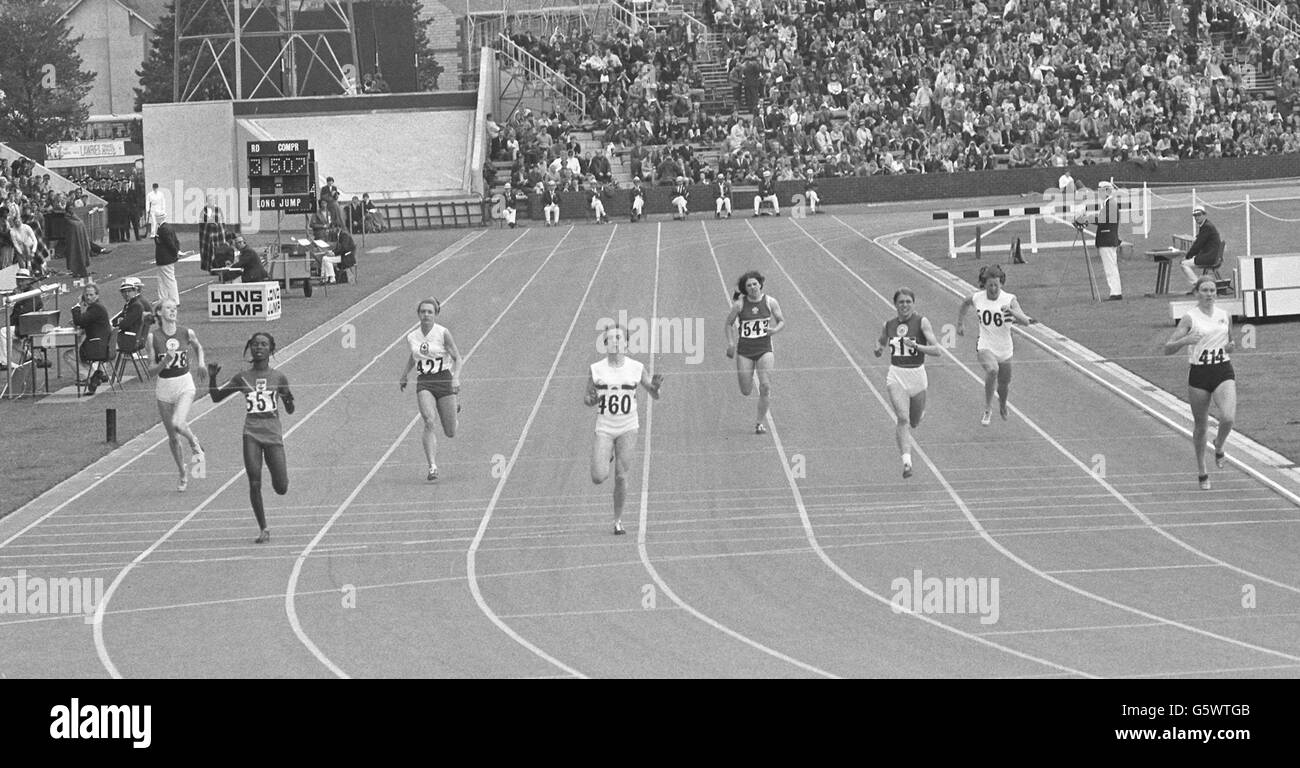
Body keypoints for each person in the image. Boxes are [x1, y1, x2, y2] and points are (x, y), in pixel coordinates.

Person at [207, 332, 295, 543]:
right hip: (252, 433)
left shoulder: (279, 377)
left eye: (263, 345)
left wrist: (288, 398)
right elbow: (216, 397)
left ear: (270, 349)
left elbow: (290, 410)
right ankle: (263, 528)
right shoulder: (242, 377)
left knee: (281, 487)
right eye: (255, 344)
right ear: (250, 348)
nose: (258, 348)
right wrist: (212, 377)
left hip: (272, 434)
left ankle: (276, 489)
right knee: (254, 482)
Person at [583, 324, 664, 535]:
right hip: (605, 427)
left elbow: (654, 394)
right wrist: (591, 399)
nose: (615, 342)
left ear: (626, 344)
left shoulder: (636, 368)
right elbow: (587, 398)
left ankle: (617, 520)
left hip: (628, 427)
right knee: (598, 477)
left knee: (621, 476)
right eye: (610, 338)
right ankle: (606, 455)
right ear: (606, 344)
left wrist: (655, 387)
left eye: (619, 338)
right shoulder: (596, 369)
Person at [1164, 275, 1237, 490]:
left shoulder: (1225, 315)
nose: (1209, 294)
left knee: (1228, 417)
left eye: (1212, 291)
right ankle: (1202, 470)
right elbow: (1167, 348)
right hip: (1199, 374)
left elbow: (1229, 341)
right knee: (1201, 425)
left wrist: (1230, 346)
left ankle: (1219, 444)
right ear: (1196, 293)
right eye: (1204, 290)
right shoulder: (1189, 318)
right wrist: (1186, 340)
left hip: (1222, 369)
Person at [956, 264, 1037, 425]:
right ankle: (987, 408)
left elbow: (1025, 321)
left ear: (1001, 284)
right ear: (984, 284)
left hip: (1005, 349)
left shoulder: (1009, 299)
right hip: (985, 345)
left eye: (996, 285)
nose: (993, 288)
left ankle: (1002, 404)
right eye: (990, 285)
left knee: (1004, 385)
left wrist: (1011, 311)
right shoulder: (978, 297)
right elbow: (965, 303)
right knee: (993, 370)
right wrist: (960, 323)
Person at [874, 288, 942, 478]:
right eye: (901, 302)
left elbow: (937, 350)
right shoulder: (888, 325)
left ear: (913, 304)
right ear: (895, 304)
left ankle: (918, 415)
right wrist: (878, 349)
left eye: (908, 302)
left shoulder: (922, 322)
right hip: (896, 375)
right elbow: (881, 342)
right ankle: (907, 462)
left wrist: (917, 346)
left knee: (914, 421)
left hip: (917, 376)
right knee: (902, 418)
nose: (904, 305)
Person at [145, 299, 206, 491]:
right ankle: (182, 472)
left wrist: (201, 363)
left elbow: (198, 346)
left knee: (178, 424)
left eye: (174, 308)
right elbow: (151, 371)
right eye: (168, 308)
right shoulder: (152, 337)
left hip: (184, 383)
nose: (173, 311)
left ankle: (194, 441)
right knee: (172, 436)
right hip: (164, 387)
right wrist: (165, 362)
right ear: (159, 313)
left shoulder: (186, 332)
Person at [398, 298, 461, 481]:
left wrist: (456, 377)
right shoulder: (412, 336)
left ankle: (454, 409)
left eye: (429, 312)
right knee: (429, 420)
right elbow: (415, 355)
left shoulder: (443, 333)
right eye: (423, 311)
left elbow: (457, 357)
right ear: (418, 314)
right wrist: (404, 375)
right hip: (424, 381)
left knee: (450, 432)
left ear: (435, 315)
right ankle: (432, 466)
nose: (426, 315)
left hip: (444, 379)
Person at [725, 270, 786, 434]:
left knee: (765, 386)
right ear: (745, 289)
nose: (752, 287)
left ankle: (759, 423)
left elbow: (781, 321)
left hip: (764, 348)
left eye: (754, 284)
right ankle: (748, 373)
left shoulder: (770, 302)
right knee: (746, 390)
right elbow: (728, 324)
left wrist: (774, 330)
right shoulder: (739, 305)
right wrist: (731, 344)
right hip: (745, 350)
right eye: (749, 285)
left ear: (760, 284)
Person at [1076, 181, 1123, 300]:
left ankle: (1115, 293)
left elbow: (1102, 219)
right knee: (1110, 267)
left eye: (1101, 190)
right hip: (1107, 238)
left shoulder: (1111, 203)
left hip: (1107, 239)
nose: (1099, 193)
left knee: (1110, 268)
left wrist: (1085, 219)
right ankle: (1115, 292)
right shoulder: (1108, 203)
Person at [70, 282, 112, 394]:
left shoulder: (95, 308)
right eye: (86, 295)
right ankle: (97, 374)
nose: (88, 297)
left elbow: (79, 321)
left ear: (97, 295)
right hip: (102, 344)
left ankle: (92, 376)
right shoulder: (96, 307)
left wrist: (76, 306)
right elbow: (85, 322)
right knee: (76, 353)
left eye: (91, 295)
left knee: (68, 355)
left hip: (97, 347)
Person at [1180, 206, 1223, 292]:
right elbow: (1200, 242)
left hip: (1209, 257)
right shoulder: (1206, 225)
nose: (1197, 217)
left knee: (1183, 264)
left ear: (1204, 215)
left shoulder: (1206, 227)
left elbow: (1198, 245)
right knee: (1187, 262)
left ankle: (1198, 286)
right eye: (1195, 216)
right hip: (1212, 256)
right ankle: (1198, 285)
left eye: (1199, 215)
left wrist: (1188, 256)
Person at [153, 215, 186, 307]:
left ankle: (174, 300)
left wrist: (175, 251)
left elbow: (169, 243)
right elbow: (175, 240)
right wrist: (177, 250)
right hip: (166, 258)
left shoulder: (163, 229)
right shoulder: (168, 227)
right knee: (161, 280)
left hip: (165, 258)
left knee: (168, 280)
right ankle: (163, 299)